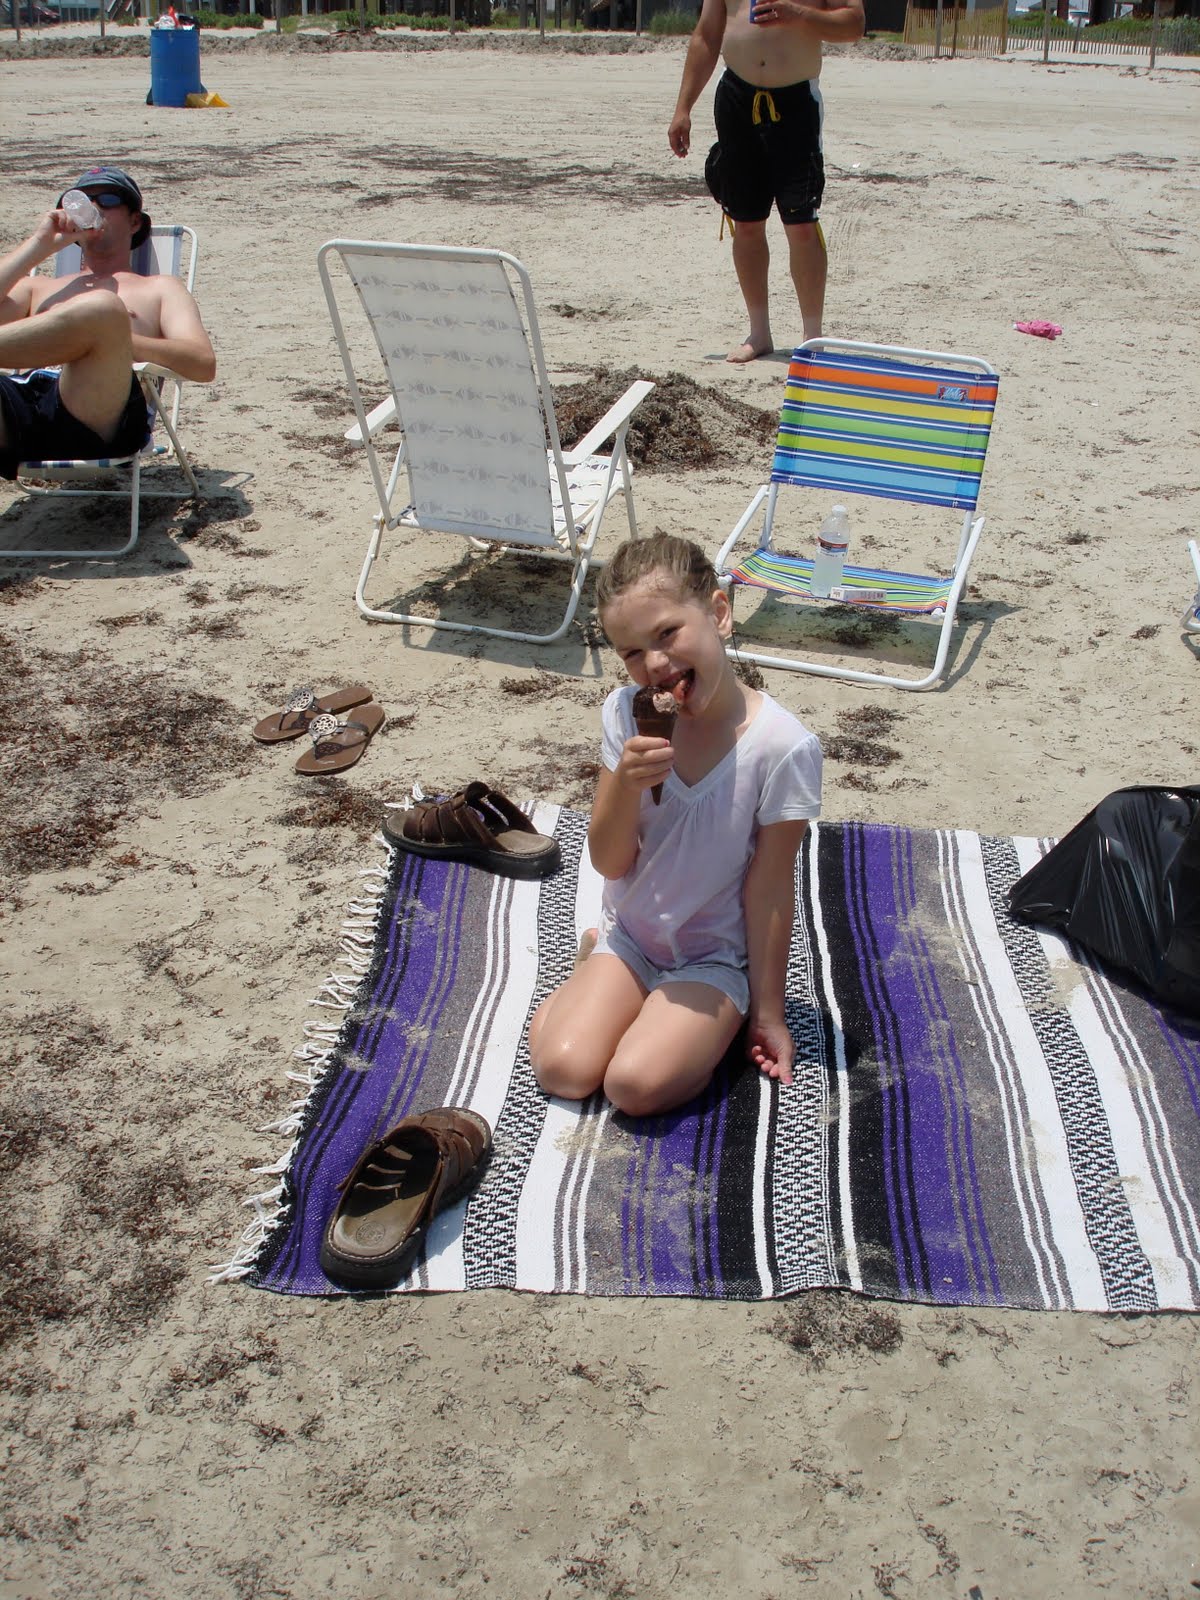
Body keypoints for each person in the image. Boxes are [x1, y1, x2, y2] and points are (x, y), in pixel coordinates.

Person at [529, 534, 823, 1118]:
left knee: (633, 1085)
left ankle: (706, 1021)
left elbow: (770, 890)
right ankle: (598, 967)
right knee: (563, 1069)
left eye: (667, 633)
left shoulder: (782, 747)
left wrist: (769, 1012)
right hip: (632, 936)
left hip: (712, 957)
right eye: (633, 652)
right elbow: (609, 861)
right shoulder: (625, 714)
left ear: (719, 613)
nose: (656, 664)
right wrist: (624, 784)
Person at [668, 0, 865, 363]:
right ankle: (759, 333)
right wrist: (683, 108)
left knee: (801, 224)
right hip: (736, 98)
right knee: (745, 223)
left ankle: (812, 339)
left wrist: (800, 16)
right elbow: (706, 36)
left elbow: (854, 24)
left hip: (796, 100)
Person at [0, 165, 215, 481]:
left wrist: (113, 338)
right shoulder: (39, 287)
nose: (93, 207)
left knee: (104, 308)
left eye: (108, 200)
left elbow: (203, 363)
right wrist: (40, 244)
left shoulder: (160, 288)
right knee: (101, 310)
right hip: (23, 404)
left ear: (135, 221)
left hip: (99, 417)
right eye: (82, 200)